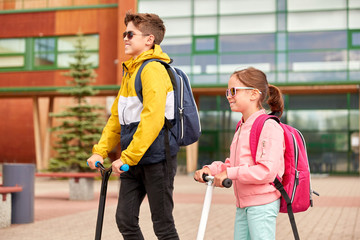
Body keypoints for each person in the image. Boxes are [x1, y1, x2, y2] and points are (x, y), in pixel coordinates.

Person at [87, 12, 180, 240]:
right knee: (126, 220)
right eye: (124, 34)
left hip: (157, 160)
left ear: (149, 40)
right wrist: (100, 151)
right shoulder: (131, 71)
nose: (125, 38)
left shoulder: (153, 70)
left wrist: (127, 158)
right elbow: (116, 118)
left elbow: (153, 119)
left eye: (130, 34)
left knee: (163, 226)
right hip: (132, 161)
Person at [194, 67, 285, 240]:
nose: (229, 96)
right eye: (227, 91)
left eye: (234, 91)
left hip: (262, 204)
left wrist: (229, 173)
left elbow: (266, 171)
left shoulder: (268, 126)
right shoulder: (242, 126)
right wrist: (211, 170)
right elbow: (234, 165)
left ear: (254, 94)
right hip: (243, 204)